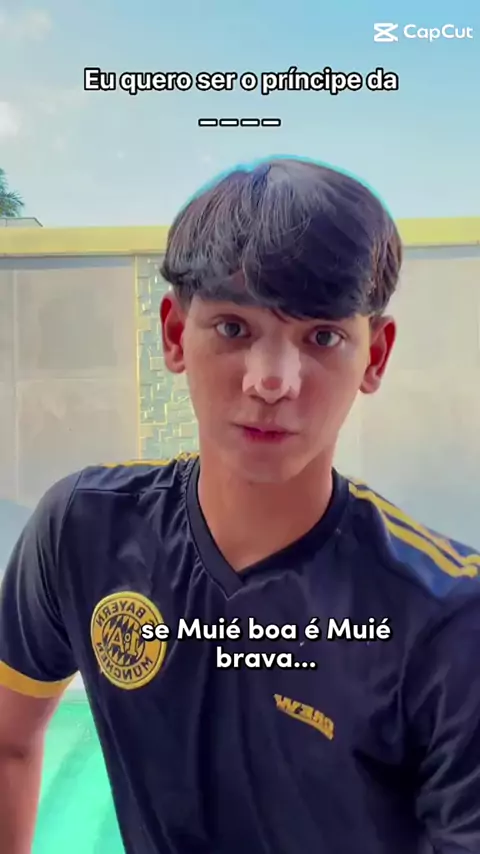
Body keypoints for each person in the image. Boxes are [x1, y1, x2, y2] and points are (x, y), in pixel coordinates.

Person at [0, 157, 479, 854]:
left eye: (322, 336)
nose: (271, 380)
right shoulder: (82, 533)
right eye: (233, 328)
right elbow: (8, 740)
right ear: (174, 335)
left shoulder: (449, 621)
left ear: (374, 357)